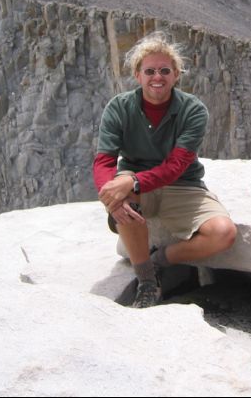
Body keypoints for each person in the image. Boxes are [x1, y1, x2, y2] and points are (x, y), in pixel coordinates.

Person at [93, 31, 237, 308]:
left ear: (176, 75)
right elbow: (104, 161)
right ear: (137, 75)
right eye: (149, 71)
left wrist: (132, 183)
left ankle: (161, 259)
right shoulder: (119, 108)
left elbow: (176, 166)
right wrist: (109, 196)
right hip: (132, 183)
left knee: (223, 233)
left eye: (164, 70)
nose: (157, 77)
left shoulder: (192, 110)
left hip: (182, 184)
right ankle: (147, 279)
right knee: (124, 203)